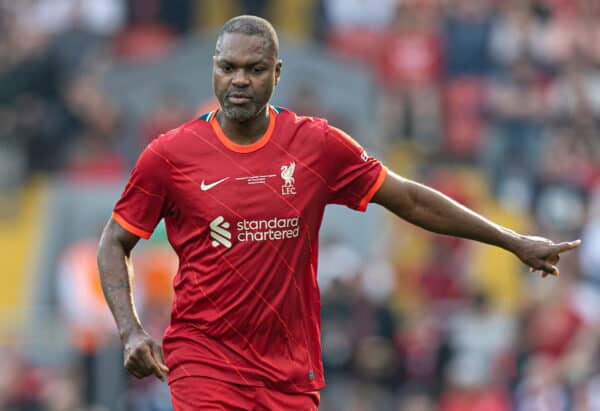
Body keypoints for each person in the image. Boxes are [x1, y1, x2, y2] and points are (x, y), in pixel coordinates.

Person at [97, 15, 581, 411]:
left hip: (288, 370)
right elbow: (114, 242)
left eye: (254, 68)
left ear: (278, 73)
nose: (239, 79)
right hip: (205, 361)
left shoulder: (316, 145)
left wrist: (511, 240)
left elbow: (408, 197)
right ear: (213, 69)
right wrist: (130, 330)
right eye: (227, 67)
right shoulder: (170, 155)